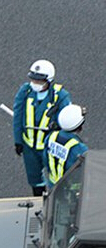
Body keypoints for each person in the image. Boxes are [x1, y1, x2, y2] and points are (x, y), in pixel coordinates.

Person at [13, 60, 71, 196]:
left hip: (49, 146)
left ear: (48, 80)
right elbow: (18, 117)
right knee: (34, 179)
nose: (35, 84)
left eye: (39, 81)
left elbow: (67, 120)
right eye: (33, 80)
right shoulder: (25, 91)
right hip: (30, 147)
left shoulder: (60, 96)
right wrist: (18, 141)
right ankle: (39, 200)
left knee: (56, 177)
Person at [43, 104, 88, 187]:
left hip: (53, 185)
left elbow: (45, 158)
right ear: (80, 126)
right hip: (71, 189)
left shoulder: (51, 137)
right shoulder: (79, 148)